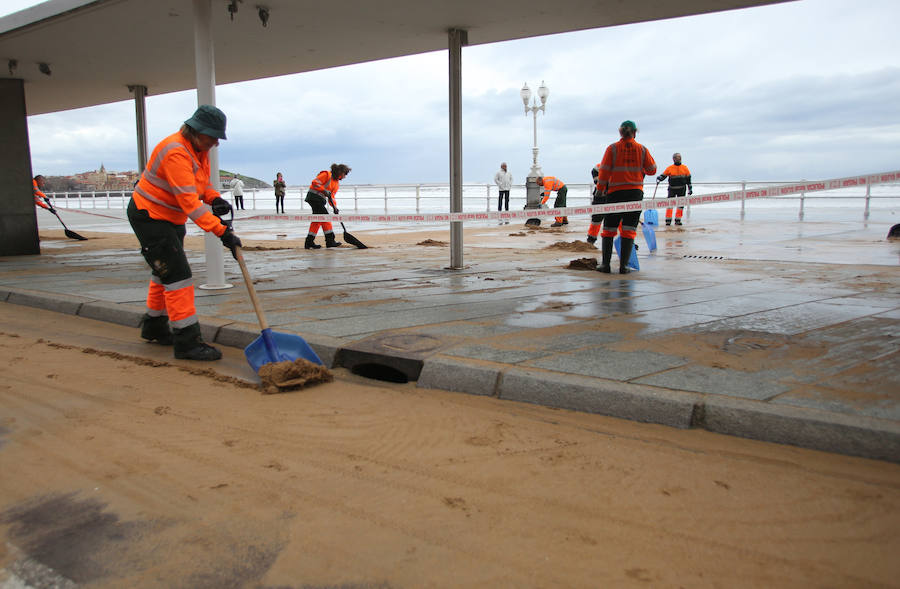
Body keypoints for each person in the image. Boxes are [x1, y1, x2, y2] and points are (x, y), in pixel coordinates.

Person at [127, 104, 242, 361]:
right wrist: (221, 231)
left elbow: (198, 186)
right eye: (211, 137)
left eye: (217, 138)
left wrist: (214, 198)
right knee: (178, 277)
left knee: (163, 271)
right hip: (150, 217)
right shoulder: (176, 152)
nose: (215, 143)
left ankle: (154, 327)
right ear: (195, 130)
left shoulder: (196, 150)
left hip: (168, 217)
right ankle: (187, 342)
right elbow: (189, 203)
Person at [593, 120, 657, 273]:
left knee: (608, 229)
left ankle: (606, 265)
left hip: (615, 193)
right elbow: (652, 170)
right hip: (635, 193)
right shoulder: (642, 150)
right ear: (635, 132)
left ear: (620, 132)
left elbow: (604, 171)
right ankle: (624, 266)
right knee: (629, 229)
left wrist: (600, 189)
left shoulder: (612, 149)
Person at [304, 163, 351, 249]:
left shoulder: (336, 183)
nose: (345, 177)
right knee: (325, 217)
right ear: (340, 172)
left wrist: (335, 207)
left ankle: (309, 241)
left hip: (320, 201)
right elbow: (315, 183)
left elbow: (331, 197)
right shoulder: (326, 175)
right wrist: (324, 190)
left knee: (317, 220)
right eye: (345, 174)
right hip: (313, 197)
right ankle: (330, 241)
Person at [657, 152, 692, 226]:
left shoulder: (685, 168)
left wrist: (690, 189)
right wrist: (659, 178)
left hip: (682, 189)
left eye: (679, 157)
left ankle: (678, 220)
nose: (678, 158)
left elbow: (688, 180)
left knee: (680, 205)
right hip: (672, 189)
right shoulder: (670, 168)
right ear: (673, 159)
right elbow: (664, 175)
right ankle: (668, 220)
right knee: (670, 204)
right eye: (676, 157)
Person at [586, 168, 603, 245]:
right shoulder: (598, 168)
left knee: (619, 218)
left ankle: (627, 240)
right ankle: (591, 239)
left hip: (614, 194)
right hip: (600, 196)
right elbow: (597, 181)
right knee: (596, 219)